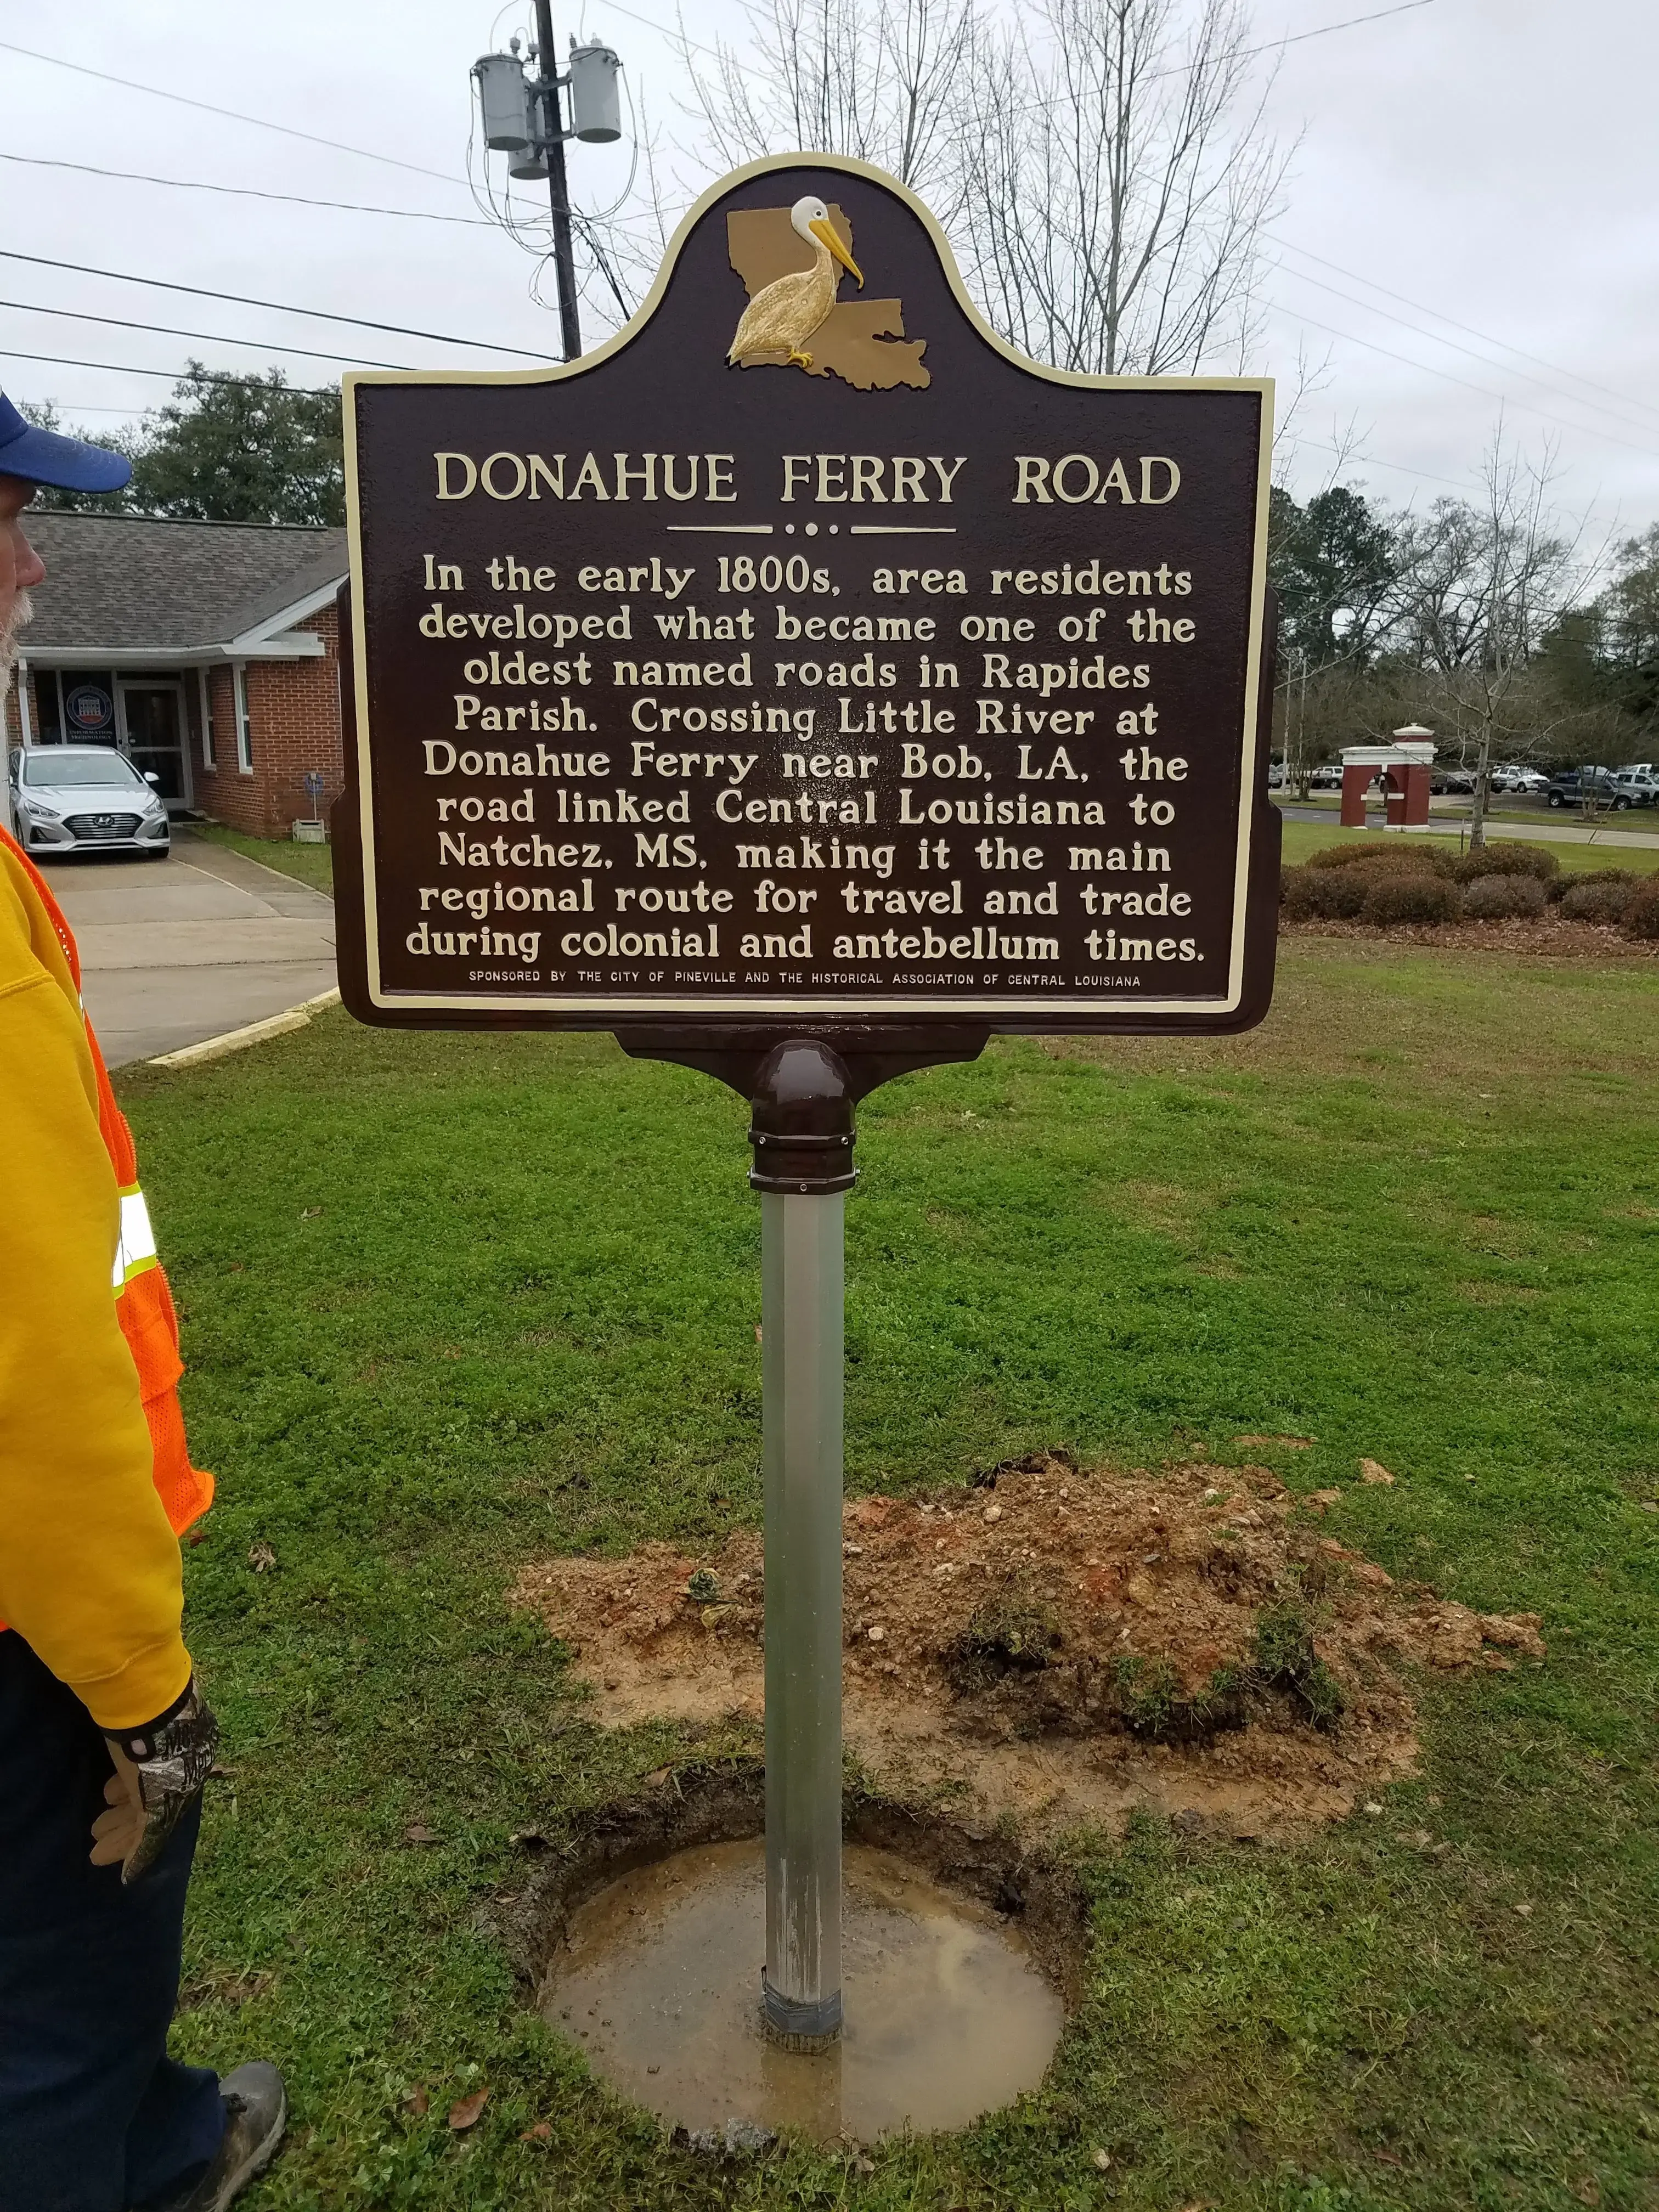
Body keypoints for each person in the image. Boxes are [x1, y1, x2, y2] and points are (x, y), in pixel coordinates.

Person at [0, 393, 286, 2211]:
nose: (32, 563)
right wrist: (136, 1681)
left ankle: (169, 2134)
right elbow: (32, 1366)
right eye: (6, 520)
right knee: (64, 1968)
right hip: (34, 1636)